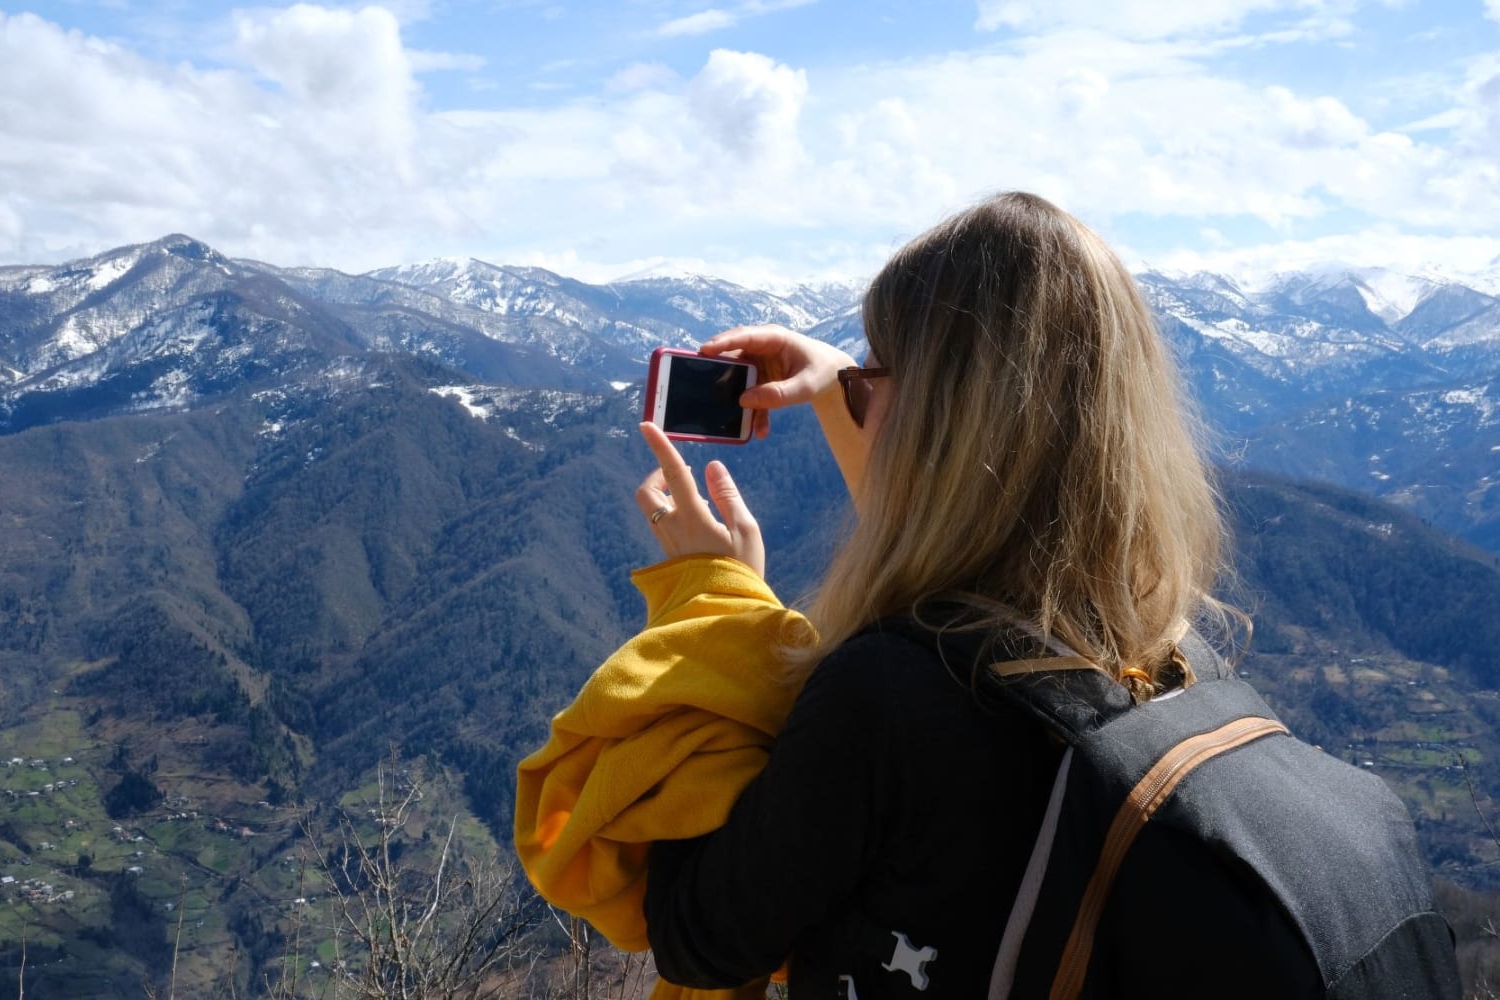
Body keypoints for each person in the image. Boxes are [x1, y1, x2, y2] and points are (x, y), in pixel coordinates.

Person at [515, 192, 1438, 999]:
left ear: (943, 428)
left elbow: (699, 933)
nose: (856, 398)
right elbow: (957, 551)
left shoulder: (887, 698)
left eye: (874, 385)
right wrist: (841, 385)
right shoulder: (1166, 652)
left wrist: (713, 603)